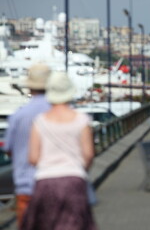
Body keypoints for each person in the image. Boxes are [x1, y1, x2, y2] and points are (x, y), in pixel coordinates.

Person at [21, 72, 97, 230]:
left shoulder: (40, 121)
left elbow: (33, 157)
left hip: (45, 180)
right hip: (74, 179)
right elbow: (89, 154)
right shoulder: (82, 120)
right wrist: (80, 168)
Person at [3, 63, 51, 227]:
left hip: (26, 184)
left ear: (30, 87)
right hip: (55, 183)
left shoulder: (18, 115)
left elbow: (8, 149)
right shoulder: (60, 112)